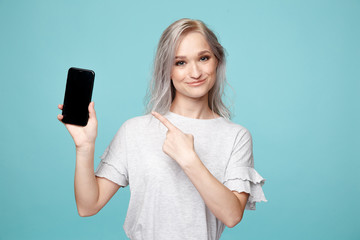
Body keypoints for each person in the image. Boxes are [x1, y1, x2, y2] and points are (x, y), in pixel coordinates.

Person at [57, 18, 267, 240]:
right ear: (167, 70)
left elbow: (232, 216)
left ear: (217, 61)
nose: (195, 72)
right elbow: (88, 206)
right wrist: (85, 147)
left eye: (203, 58)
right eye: (180, 63)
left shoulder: (235, 136)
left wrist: (189, 160)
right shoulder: (135, 130)